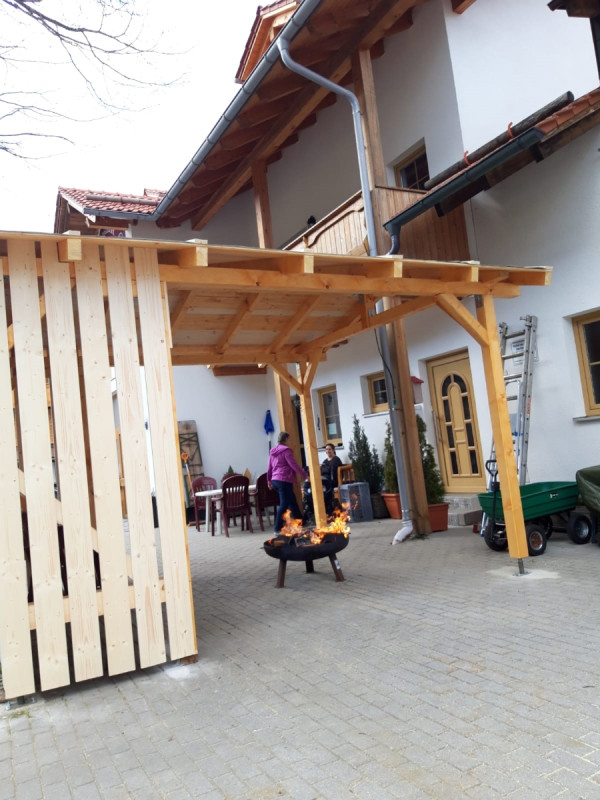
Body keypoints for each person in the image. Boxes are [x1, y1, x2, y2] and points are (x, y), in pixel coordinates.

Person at [267, 431, 307, 532]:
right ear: (286, 439)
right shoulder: (286, 450)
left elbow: (269, 467)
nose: (290, 441)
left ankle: (301, 522)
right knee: (283, 505)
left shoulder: (273, 451)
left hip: (275, 480)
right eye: (289, 439)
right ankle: (277, 529)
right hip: (283, 480)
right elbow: (293, 465)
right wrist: (305, 476)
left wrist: (269, 481)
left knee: (292, 501)